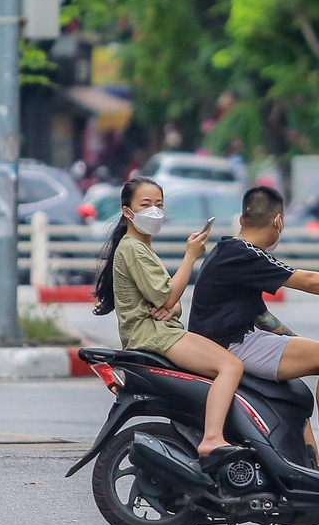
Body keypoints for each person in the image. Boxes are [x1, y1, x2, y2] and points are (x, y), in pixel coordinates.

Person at [188, 186, 319, 476]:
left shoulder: (228, 251)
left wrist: (301, 344)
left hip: (232, 340)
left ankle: (302, 466)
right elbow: (308, 280)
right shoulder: (245, 253)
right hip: (230, 346)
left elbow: (262, 316)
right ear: (278, 221)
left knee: (315, 365)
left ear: (242, 219)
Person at [91, 177, 243, 460]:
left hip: (160, 331)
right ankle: (212, 439)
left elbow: (170, 305)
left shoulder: (140, 247)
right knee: (231, 367)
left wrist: (170, 306)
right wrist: (190, 256)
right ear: (128, 212)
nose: (154, 211)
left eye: (159, 204)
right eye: (145, 205)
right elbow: (167, 297)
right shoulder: (134, 248)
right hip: (154, 336)